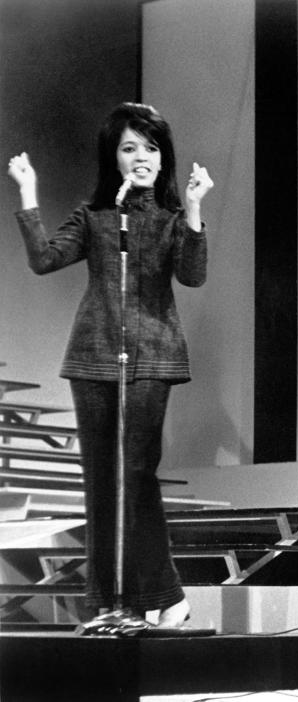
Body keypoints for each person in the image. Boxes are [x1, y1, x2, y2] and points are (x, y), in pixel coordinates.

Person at [7, 102, 214, 628]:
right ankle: (107, 604)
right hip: (94, 356)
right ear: (114, 159)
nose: (140, 156)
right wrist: (28, 193)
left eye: (150, 147)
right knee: (102, 481)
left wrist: (193, 208)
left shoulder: (171, 219)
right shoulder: (96, 216)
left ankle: (164, 596)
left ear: (163, 158)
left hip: (154, 356)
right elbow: (43, 260)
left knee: (135, 473)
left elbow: (192, 276)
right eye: (129, 148)